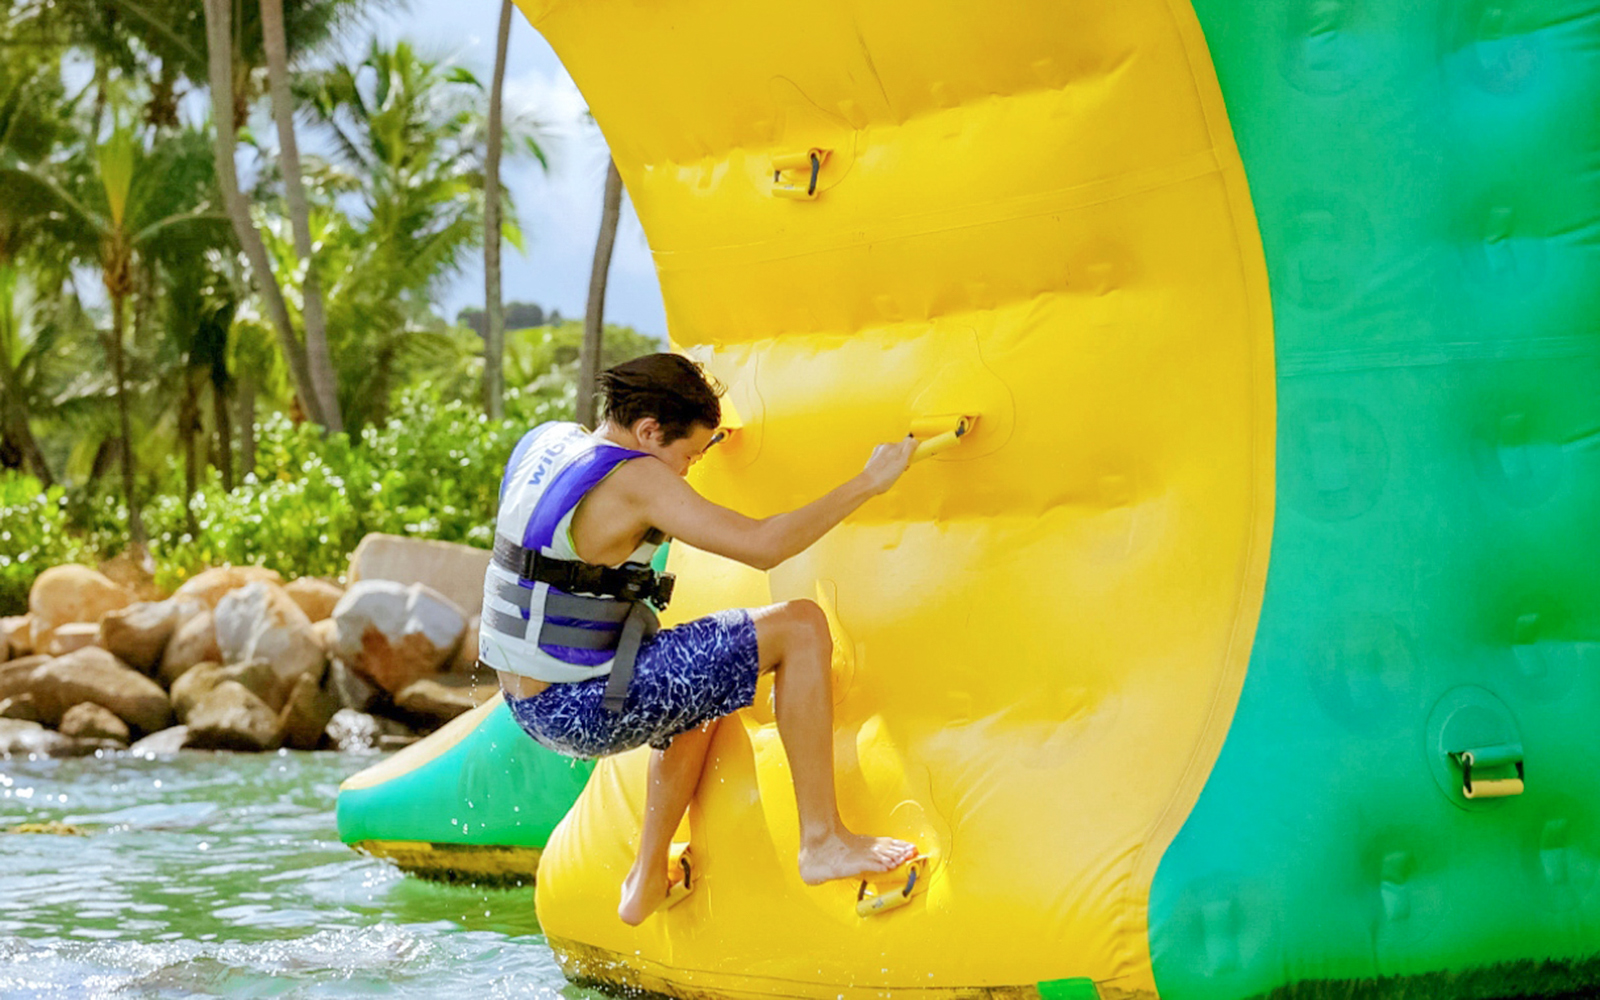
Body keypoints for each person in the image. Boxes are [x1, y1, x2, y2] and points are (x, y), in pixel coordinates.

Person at [479, 352, 918, 925]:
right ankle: (822, 840)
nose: (686, 471)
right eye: (686, 456)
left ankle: (645, 879)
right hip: (584, 706)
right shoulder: (638, 479)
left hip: (531, 701)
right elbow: (763, 544)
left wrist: (701, 439)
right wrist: (869, 481)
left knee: (707, 681)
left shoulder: (550, 443)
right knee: (802, 625)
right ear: (649, 431)